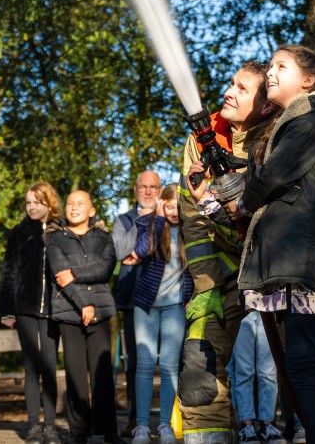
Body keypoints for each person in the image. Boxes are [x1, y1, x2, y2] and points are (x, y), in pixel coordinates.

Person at [237, 44, 315, 443]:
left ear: (308, 80)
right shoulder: (303, 118)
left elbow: (274, 177)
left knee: (305, 361)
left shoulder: (312, 116)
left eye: (280, 66)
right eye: (270, 65)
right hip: (300, 255)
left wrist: (242, 198)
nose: (270, 72)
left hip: (304, 256)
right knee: (304, 359)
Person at [177, 60, 279, 444]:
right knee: (198, 363)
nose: (227, 92)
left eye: (241, 88)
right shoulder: (202, 139)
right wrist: (205, 286)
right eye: (230, 84)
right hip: (224, 270)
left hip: (278, 268)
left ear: (267, 104)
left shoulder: (284, 135)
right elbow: (192, 213)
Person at [46, 190, 123, 444]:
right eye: (69, 203)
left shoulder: (103, 237)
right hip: (69, 313)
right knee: (75, 374)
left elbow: (105, 268)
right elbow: (60, 274)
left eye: (80, 203)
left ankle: (109, 431)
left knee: (101, 374)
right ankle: (78, 434)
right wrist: (84, 302)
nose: (74, 207)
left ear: (92, 211)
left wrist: (75, 274)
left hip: (100, 313)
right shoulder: (55, 238)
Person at [125, 184, 193, 444]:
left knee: (168, 366)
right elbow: (141, 251)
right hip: (147, 305)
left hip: (176, 307)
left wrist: (190, 298)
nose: (175, 211)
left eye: (178, 206)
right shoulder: (148, 225)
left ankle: (165, 424)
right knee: (144, 365)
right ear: (161, 204)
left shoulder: (191, 229)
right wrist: (158, 219)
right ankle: (141, 426)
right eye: (169, 205)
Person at [0, 183, 63, 444]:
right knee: (30, 368)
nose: (32, 207)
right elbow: (8, 272)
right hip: (24, 308)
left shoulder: (61, 230)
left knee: (49, 366)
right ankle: (34, 427)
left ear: (49, 203)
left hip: (53, 309)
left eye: (37, 202)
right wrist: (6, 311)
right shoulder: (19, 233)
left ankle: (51, 427)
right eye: (28, 203)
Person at [111, 170, 161, 435]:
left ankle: (169, 421)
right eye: (143, 187)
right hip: (133, 303)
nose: (148, 191)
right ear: (135, 190)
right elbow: (118, 252)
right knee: (135, 363)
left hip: (166, 302)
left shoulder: (170, 217)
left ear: (160, 190)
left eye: (154, 187)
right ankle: (134, 420)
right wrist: (143, 225)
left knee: (170, 363)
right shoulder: (123, 221)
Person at [230, 311, 284, 443]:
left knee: (268, 372)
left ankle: (268, 424)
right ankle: (246, 426)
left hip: (268, 306)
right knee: (244, 371)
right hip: (241, 307)